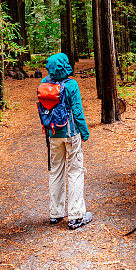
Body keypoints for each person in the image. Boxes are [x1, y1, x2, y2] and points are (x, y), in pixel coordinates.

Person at [41, 53, 92, 230]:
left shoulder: (44, 84)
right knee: (75, 171)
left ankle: (56, 213)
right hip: (71, 134)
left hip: (53, 134)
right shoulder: (71, 85)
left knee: (56, 171)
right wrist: (84, 133)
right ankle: (76, 215)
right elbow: (77, 111)